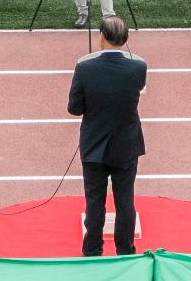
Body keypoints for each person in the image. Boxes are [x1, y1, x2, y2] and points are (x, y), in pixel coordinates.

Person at [67, 15, 146, 258]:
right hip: (126, 144)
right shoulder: (139, 66)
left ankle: (92, 251)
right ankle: (125, 252)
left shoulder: (84, 67)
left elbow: (74, 108)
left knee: (94, 201)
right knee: (125, 201)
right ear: (126, 39)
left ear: (101, 37)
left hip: (94, 146)